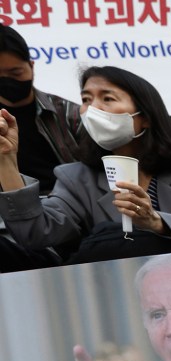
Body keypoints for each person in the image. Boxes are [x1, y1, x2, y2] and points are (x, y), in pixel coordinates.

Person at [0, 66, 171, 263]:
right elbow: (36, 234)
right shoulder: (75, 178)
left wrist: (154, 222)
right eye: (86, 100)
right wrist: (6, 160)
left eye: (108, 98)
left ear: (145, 117)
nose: (92, 109)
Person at [0, 25, 81, 271]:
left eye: (15, 72)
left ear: (31, 66)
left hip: (66, 213)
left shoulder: (68, 113)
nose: (8, 81)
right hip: (8, 219)